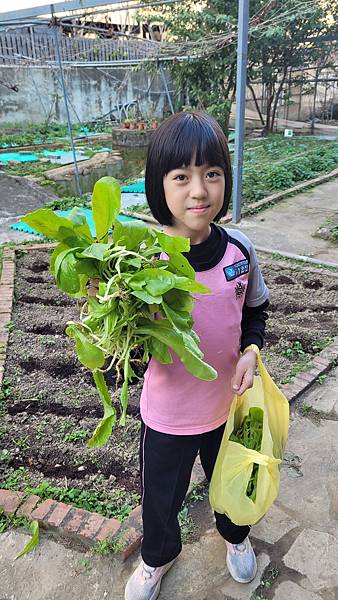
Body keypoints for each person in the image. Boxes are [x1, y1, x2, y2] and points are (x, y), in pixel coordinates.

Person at [125, 112, 269, 600]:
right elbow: (117, 339)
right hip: (167, 415)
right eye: (181, 177)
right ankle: (156, 558)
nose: (199, 191)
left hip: (229, 406)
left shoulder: (240, 251)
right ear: (158, 186)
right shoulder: (141, 258)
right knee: (160, 498)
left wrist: (251, 349)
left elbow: (256, 309)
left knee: (232, 483)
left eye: (211, 173)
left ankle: (235, 538)